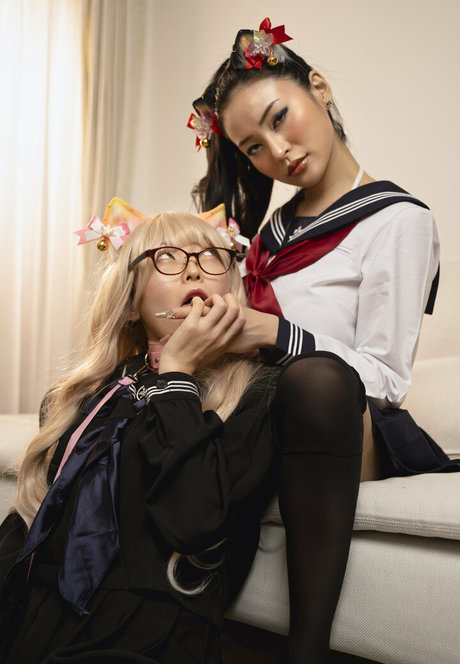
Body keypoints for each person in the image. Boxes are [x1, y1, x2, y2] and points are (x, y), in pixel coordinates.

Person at [186, 17, 453, 664]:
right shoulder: (266, 234)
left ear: (319, 87)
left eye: (281, 118)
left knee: (313, 380)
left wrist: (276, 332)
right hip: (264, 409)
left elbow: (386, 380)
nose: (279, 151)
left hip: (344, 422)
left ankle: (307, 649)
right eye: (253, 146)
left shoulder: (398, 219)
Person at [0, 209, 279, 664]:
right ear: (131, 304)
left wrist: (178, 373)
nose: (193, 269)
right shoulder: (86, 395)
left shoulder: (258, 393)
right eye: (167, 256)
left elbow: (194, 521)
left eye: (212, 255)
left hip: (151, 638)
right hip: (38, 624)